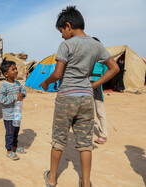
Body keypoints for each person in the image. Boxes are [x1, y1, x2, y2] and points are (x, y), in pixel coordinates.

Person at [39, 6, 119, 187]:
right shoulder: (97, 45)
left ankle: (51, 179)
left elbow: (58, 74)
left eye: (61, 31)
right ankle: (85, 182)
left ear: (68, 25)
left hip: (66, 97)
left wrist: (46, 82)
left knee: (59, 140)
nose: (61, 36)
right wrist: (94, 85)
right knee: (85, 143)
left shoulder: (66, 45)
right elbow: (115, 68)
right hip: (86, 97)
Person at [0, 61, 27, 160]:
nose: (16, 71)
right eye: (13, 69)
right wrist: (15, 96)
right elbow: (2, 99)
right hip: (9, 115)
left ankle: (15, 146)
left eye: (16, 69)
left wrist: (22, 94)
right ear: (6, 74)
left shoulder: (18, 83)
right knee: (10, 133)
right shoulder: (4, 86)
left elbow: (23, 91)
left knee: (15, 131)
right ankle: (9, 150)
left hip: (17, 114)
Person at [90, 37, 108, 145]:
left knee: (100, 112)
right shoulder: (87, 58)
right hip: (87, 86)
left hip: (97, 87)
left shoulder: (103, 58)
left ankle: (103, 135)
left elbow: (109, 71)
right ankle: (87, 133)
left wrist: (100, 82)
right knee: (88, 111)